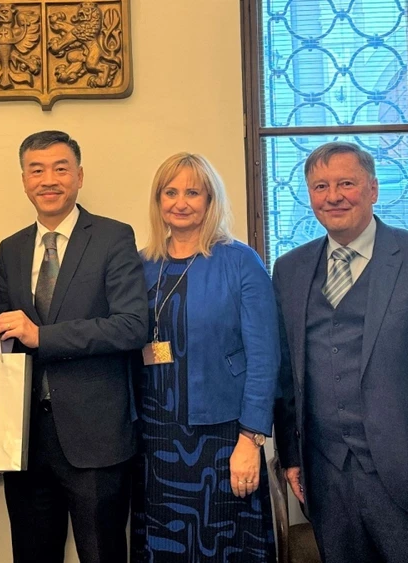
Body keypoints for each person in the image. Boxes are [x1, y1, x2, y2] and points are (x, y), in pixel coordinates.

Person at [272, 142, 408, 563]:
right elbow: (287, 372)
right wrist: (293, 457)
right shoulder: (290, 269)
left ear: (373, 189)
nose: (333, 196)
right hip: (327, 475)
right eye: (320, 186)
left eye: (346, 183)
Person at [0, 130, 147, 563]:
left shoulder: (114, 237)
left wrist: (44, 337)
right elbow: (0, 345)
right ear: (23, 180)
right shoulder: (11, 249)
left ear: (79, 176)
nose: (48, 179)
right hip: (25, 441)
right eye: (36, 170)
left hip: (96, 438)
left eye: (60, 168)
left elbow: (133, 326)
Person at [129, 152, 279, 561]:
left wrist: (251, 438)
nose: (181, 202)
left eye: (192, 192)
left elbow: (265, 357)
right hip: (156, 438)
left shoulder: (239, 260)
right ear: (158, 200)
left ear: (210, 200)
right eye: (170, 192)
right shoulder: (142, 264)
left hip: (222, 438)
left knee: (223, 547)